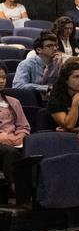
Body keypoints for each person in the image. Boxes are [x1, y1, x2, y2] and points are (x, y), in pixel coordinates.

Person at [0, 65, 31, 202]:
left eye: (3, 77)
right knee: (10, 152)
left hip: (14, 142)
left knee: (35, 148)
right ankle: (18, 192)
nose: (1, 81)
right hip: (4, 145)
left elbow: (23, 126)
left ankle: (40, 192)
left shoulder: (14, 102)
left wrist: (21, 135)